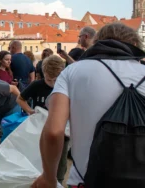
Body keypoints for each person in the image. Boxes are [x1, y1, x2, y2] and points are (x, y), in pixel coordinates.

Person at [32, 23, 145, 188]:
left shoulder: (72, 72)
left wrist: (49, 177)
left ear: (97, 42)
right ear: (135, 45)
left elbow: (54, 132)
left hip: (86, 180)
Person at [16, 55, 68, 184]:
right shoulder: (37, 85)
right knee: (40, 158)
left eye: (55, 80)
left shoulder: (66, 86)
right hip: (39, 129)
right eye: (49, 79)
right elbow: (20, 99)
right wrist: (30, 110)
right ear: (43, 73)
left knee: (60, 161)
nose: (52, 83)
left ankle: (58, 182)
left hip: (62, 131)